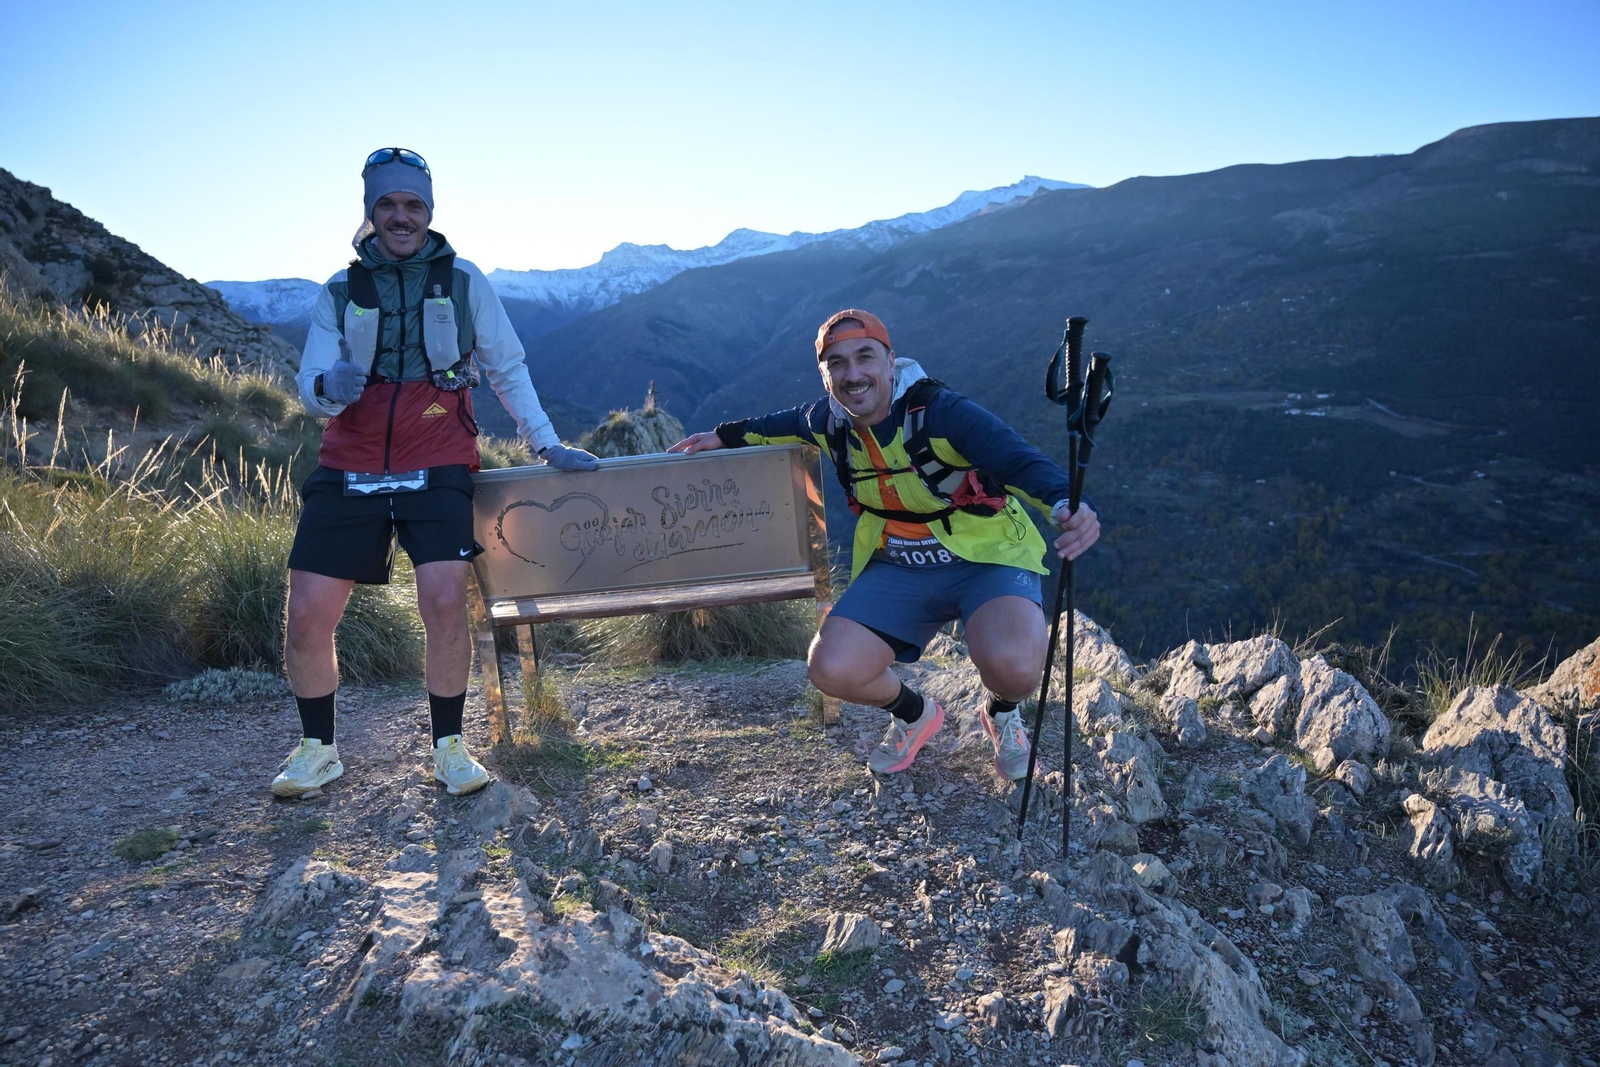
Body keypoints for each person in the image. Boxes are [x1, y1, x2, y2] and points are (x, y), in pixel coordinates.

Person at [270, 147, 598, 798]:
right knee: (306, 612)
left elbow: (506, 366)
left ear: (429, 211)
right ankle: (318, 750)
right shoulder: (339, 290)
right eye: (387, 204)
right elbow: (311, 388)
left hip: (439, 453)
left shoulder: (465, 281)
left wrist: (545, 443)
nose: (401, 216)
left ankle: (450, 746)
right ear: (370, 212)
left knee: (445, 602)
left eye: (412, 204)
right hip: (349, 461)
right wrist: (329, 387)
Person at [669, 309, 1100, 780]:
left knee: (1015, 665)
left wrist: (1066, 503)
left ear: (891, 362)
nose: (853, 374)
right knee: (831, 669)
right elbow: (772, 425)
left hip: (987, 555)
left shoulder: (941, 412)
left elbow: (1017, 461)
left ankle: (1001, 712)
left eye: (865, 357)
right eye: (836, 363)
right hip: (900, 562)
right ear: (825, 376)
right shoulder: (827, 420)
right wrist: (721, 436)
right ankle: (916, 715)